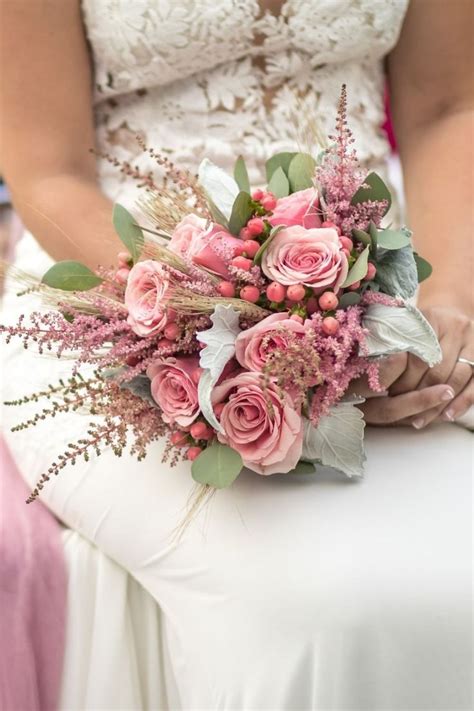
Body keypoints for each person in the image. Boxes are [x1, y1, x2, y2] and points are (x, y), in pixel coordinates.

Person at [1, 1, 472, 708]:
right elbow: (46, 170)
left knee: (451, 578)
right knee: (309, 608)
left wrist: (443, 311)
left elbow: (446, 105)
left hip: (375, 300)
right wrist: (221, 317)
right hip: (121, 298)